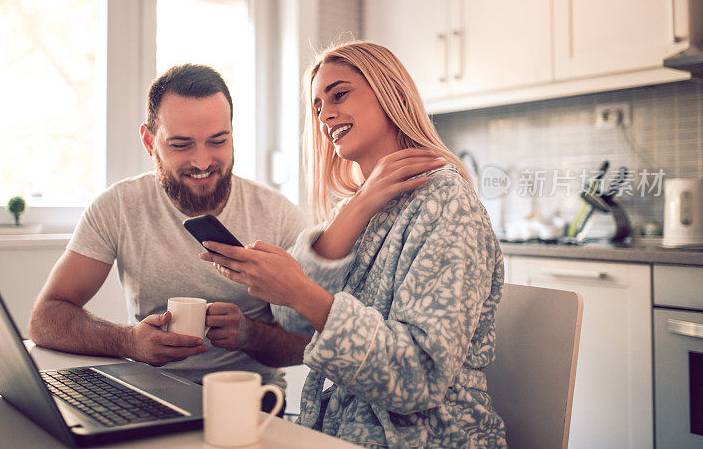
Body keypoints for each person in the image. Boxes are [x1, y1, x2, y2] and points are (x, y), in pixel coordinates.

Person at [199, 41, 507, 447]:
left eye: (339, 94)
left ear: (391, 93)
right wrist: (358, 207)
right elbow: (293, 321)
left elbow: (418, 378)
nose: (325, 114)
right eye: (317, 105)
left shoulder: (447, 204)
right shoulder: (359, 206)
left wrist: (300, 290)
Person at [29, 64, 309, 398]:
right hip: (151, 397)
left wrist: (251, 336)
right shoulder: (118, 206)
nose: (203, 162)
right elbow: (45, 318)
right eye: (181, 145)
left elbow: (311, 341)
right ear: (149, 142)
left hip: (251, 403)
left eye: (218, 141)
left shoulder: (280, 217)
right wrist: (127, 341)